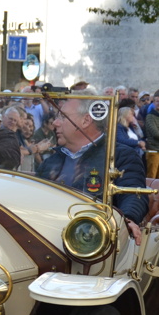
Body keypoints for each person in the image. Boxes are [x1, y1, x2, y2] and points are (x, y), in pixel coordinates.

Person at [36, 89, 148, 239]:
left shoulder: (119, 156)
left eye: (63, 117)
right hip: (47, 236)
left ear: (86, 120)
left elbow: (133, 193)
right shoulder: (51, 161)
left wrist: (126, 220)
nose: (55, 123)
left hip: (92, 239)